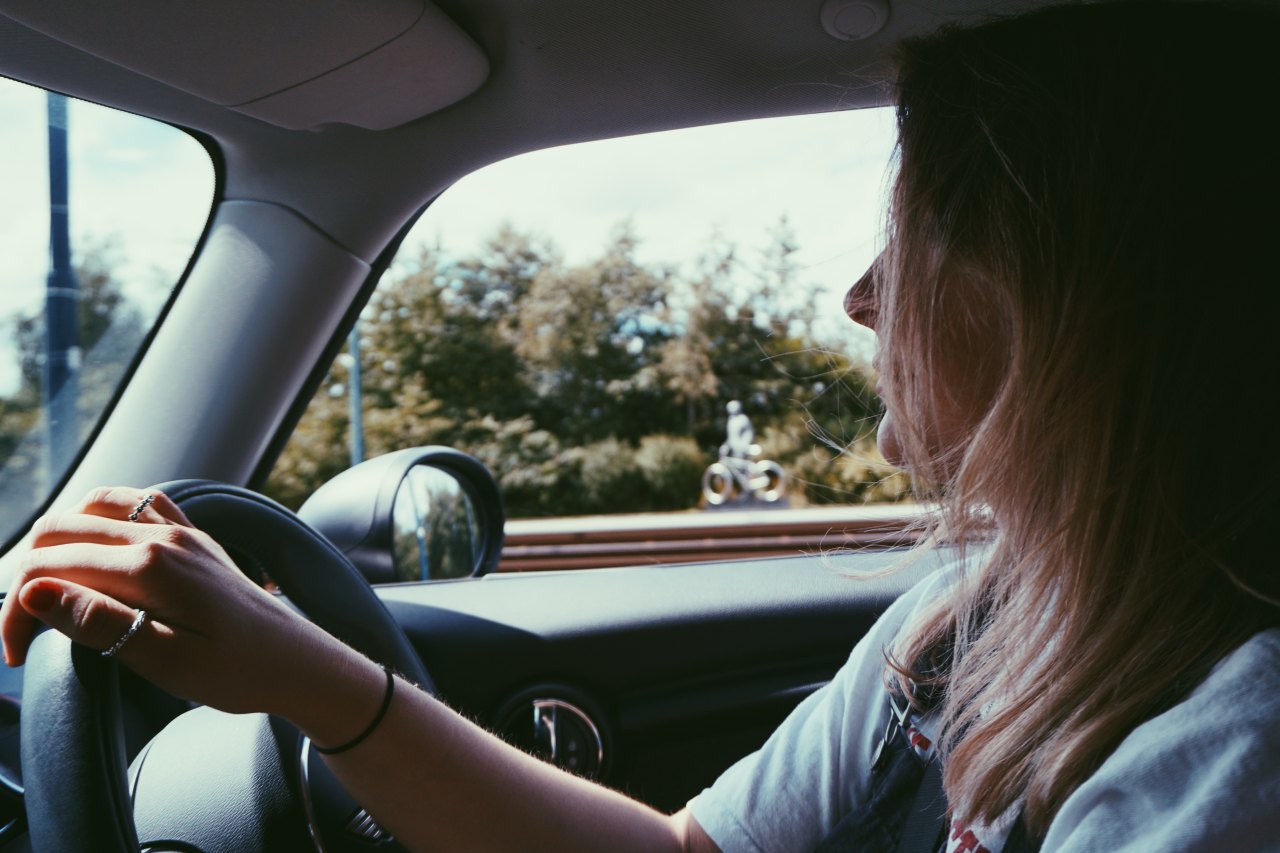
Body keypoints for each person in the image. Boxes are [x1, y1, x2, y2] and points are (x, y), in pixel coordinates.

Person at [4, 1, 1280, 850]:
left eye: (916, 233)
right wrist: (309, 677)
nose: (859, 296)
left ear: (1068, 291)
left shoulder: (1235, 744)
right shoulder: (970, 616)